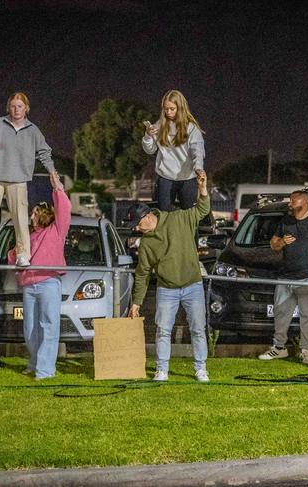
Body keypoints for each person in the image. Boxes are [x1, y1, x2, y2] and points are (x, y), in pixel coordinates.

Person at [127, 169, 210, 382]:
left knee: (198, 329)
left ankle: (201, 368)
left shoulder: (180, 218)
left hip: (193, 285)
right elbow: (143, 273)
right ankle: (161, 370)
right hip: (166, 289)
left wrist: (202, 189)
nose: (136, 228)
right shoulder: (146, 244)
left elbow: (202, 209)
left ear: (147, 216)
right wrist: (136, 303)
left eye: (137, 223)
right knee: (163, 330)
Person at [0, 91, 57, 267]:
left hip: (18, 179)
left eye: (19, 106)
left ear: (26, 108)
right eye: (13, 106)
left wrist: (52, 172)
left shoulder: (33, 130)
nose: (16, 109)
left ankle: (22, 254)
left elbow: (44, 152)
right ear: (8, 108)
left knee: (20, 218)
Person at [8, 173, 71, 380]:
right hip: (29, 285)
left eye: (35, 212)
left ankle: (45, 370)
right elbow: (13, 259)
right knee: (30, 328)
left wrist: (57, 188)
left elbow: (64, 209)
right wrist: (14, 253)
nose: (31, 216)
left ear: (43, 214)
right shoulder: (27, 235)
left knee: (48, 325)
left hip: (48, 282)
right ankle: (35, 362)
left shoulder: (56, 230)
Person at [258, 190, 308, 365]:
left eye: (293, 200)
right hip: (285, 277)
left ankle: (305, 350)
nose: (290, 203)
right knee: (281, 313)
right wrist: (282, 242)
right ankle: (279, 348)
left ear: (305, 202)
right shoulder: (286, 221)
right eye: (290, 200)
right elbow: (273, 245)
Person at [142, 90, 205, 211]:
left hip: (187, 178)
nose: (168, 112)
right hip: (165, 177)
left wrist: (198, 167)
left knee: (189, 216)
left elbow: (197, 150)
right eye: (166, 109)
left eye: (172, 109)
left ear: (180, 108)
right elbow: (150, 150)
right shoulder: (159, 125)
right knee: (164, 215)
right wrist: (148, 136)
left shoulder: (191, 128)